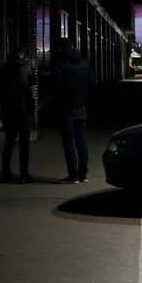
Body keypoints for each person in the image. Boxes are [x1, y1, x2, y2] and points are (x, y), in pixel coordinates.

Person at [52, 36, 94, 183]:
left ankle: (73, 175)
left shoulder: (60, 65)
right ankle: (83, 174)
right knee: (81, 140)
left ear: (62, 49)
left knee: (69, 142)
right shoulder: (84, 63)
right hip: (81, 106)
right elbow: (91, 83)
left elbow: (56, 88)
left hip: (66, 107)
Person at [0, 48, 35, 183]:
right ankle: (24, 173)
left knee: (9, 143)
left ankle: (6, 172)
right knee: (24, 145)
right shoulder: (26, 69)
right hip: (24, 112)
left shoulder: (2, 70)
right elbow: (33, 83)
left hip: (8, 112)